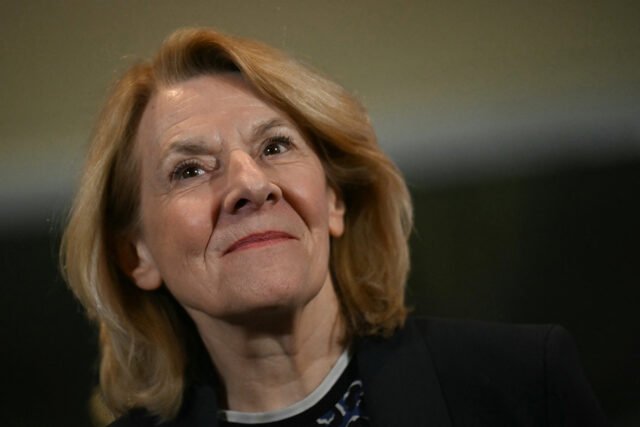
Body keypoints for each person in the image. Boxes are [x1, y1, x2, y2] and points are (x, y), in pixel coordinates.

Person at [61, 27, 606, 426]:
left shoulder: (523, 384)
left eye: (275, 146)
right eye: (190, 170)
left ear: (334, 200)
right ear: (136, 255)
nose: (251, 184)